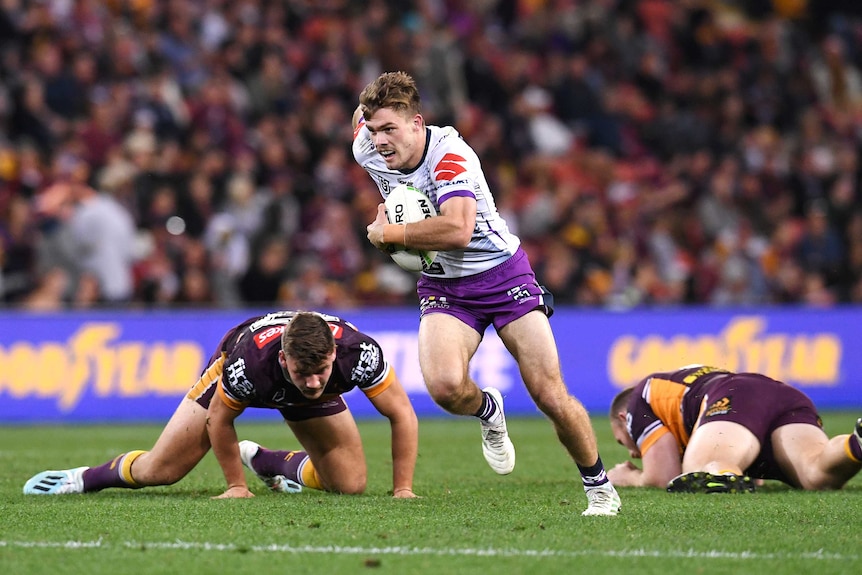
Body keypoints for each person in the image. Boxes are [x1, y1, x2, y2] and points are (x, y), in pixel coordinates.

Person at [352, 71, 620, 516]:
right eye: (374, 129)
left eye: (390, 130)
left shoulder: (451, 157)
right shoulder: (366, 145)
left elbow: (457, 230)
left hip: (502, 275)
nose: (380, 141)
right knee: (443, 387)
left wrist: (387, 234)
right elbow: (358, 122)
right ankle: (488, 408)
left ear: (417, 123)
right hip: (443, 284)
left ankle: (599, 487)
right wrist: (369, 105)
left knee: (548, 393)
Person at [23, 311, 419, 499]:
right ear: (285, 360)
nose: (314, 382)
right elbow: (220, 420)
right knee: (161, 470)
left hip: (284, 382)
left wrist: (403, 488)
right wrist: (235, 487)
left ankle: (267, 461)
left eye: (322, 371)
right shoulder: (250, 364)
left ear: (334, 353)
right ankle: (82, 479)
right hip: (233, 362)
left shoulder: (360, 353)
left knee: (349, 485)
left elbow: (401, 414)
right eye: (304, 373)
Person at [607, 364, 862, 493]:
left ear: (624, 418)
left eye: (623, 442)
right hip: (780, 395)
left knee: (701, 471)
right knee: (816, 474)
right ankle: (855, 444)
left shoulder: (639, 398)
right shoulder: (682, 393)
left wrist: (630, 477)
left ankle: (722, 469)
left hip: (736, 395)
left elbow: (663, 476)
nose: (632, 454)